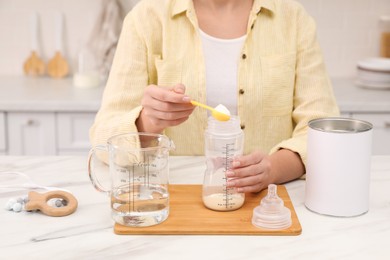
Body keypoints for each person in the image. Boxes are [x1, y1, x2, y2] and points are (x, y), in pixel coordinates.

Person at [89, 0, 339, 193]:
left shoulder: (294, 19)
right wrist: (148, 122)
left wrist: (273, 169)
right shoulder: (146, 18)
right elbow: (102, 140)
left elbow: (323, 131)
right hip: (173, 202)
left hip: (269, 202)